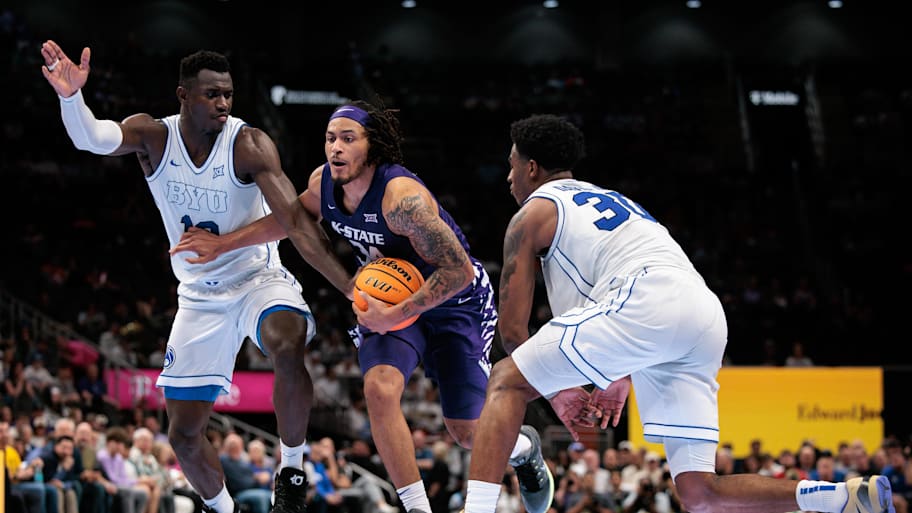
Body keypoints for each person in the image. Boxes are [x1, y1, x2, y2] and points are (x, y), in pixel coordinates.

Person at [461, 114, 895, 513]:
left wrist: (555, 391)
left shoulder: (531, 213)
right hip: (700, 312)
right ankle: (841, 497)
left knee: (503, 379)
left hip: (646, 298)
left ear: (532, 167)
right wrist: (619, 373)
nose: (509, 175)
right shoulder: (612, 199)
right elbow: (608, 309)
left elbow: (514, 331)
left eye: (512, 164)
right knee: (699, 492)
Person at [168, 100, 552, 513]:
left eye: (348, 139)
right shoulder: (324, 185)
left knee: (467, 431)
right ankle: (416, 508)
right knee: (378, 388)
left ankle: (524, 449)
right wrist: (224, 243)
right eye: (331, 138)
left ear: (373, 147)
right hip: (390, 297)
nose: (336, 148)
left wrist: (399, 312)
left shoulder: (402, 200)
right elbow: (291, 221)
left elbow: (457, 269)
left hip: (453, 301)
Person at [40, 40, 353, 513]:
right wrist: (71, 98)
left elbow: (296, 222)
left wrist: (350, 288)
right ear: (183, 95)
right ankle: (224, 509)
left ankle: (290, 469)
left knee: (287, 343)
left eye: (228, 94)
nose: (223, 103)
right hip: (199, 295)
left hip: (256, 278)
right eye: (212, 94)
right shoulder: (153, 136)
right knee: (183, 436)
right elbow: (94, 139)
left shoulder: (248, 144)